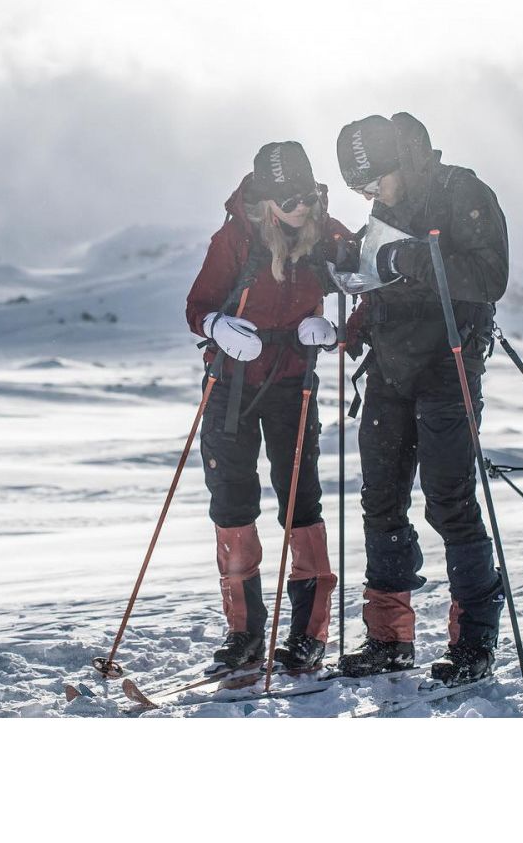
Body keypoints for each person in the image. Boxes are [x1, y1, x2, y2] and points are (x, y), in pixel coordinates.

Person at [332, 112, 509, 687]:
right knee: (381, 498)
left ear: (400, 163)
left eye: (372, 182)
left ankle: (474, 641)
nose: (369, 196)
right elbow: (382, 278)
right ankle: (389, 639)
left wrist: (412, 259)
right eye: (358, 189)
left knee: (449, 500)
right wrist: (359, 312)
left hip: (448, 365)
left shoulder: (462, 191)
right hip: (389, 366)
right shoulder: (386, 206)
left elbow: (490, 276)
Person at [186, 141, 350, 672]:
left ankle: (308, 633)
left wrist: (335, 332)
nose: (302, 207)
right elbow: (197, 306)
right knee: (232, 504)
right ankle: (245, 633)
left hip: (292, 382)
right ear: (266, 199)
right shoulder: (235, 238)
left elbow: (368, 277)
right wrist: (217, 326)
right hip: (230, 386)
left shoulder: (327, 234)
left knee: (301, 501)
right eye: (289, 199)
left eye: (307, 196)